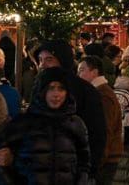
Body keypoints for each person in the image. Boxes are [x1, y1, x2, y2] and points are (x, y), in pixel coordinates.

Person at [0, 67, 92, 184]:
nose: (56, 94)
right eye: (50, 88)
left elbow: (84, 163)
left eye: (61, 89)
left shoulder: (75, 124)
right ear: (42, 91)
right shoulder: (23, 122)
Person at [32, 39, 108, 178]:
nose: (42, 65)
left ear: (63, 60)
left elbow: (96, 135)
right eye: (40, 59)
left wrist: (87, 173)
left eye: (49, 59)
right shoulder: (39, 89)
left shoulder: (85, 91)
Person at [78, 55, 124, 185]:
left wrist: (98, 160)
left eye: (82, 70)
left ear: (94, 72)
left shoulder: (102, 95)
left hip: (105, 159)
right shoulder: (97, 92)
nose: (78, 74)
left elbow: (105, 130)